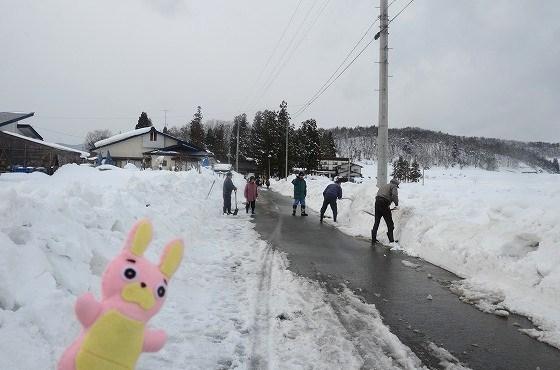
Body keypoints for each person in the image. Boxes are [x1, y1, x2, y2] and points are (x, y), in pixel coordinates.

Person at [371, 178, 399, 244]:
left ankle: (373, 238)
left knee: (377, 221)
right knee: (390, 223)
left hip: (377, 203)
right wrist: (396, 204)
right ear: (396, 184)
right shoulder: (393, 186)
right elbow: (394, 195)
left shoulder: (385, 185)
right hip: (384, 203)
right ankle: (391, 241)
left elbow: (381, 194)